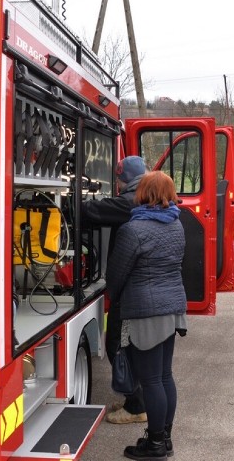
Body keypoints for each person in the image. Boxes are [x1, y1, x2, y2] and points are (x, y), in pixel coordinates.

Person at [106, 171, 188, 460]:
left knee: (151, 380)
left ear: (142, 192)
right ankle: (164, 438)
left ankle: (154, 445)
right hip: (172, 308)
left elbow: (115, 275)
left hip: (145, 311)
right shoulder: (176, 223)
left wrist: (112, 299)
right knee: (164, 376)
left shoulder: (134, 229)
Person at [80, 156, 148, 425]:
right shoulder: (145, 195)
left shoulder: (131, 201)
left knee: (117, 345)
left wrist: (71, 202)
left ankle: (136, 405)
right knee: (129, 347)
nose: (117, 184)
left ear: (126, 178)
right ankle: (134, 399)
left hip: (130, 289)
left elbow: (95, 211)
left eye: (119, 179)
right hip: (139, 288)